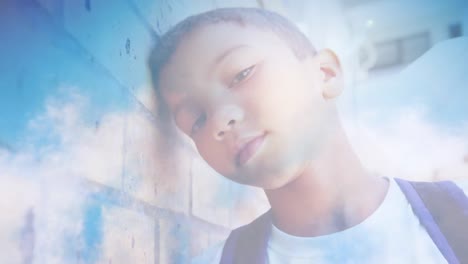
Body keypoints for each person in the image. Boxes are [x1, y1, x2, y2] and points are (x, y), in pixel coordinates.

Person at [148, 7, 468, 264]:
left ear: (324, 74)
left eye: (241, 74)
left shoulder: (460, 213)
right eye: (196, 120)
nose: (219, 119)